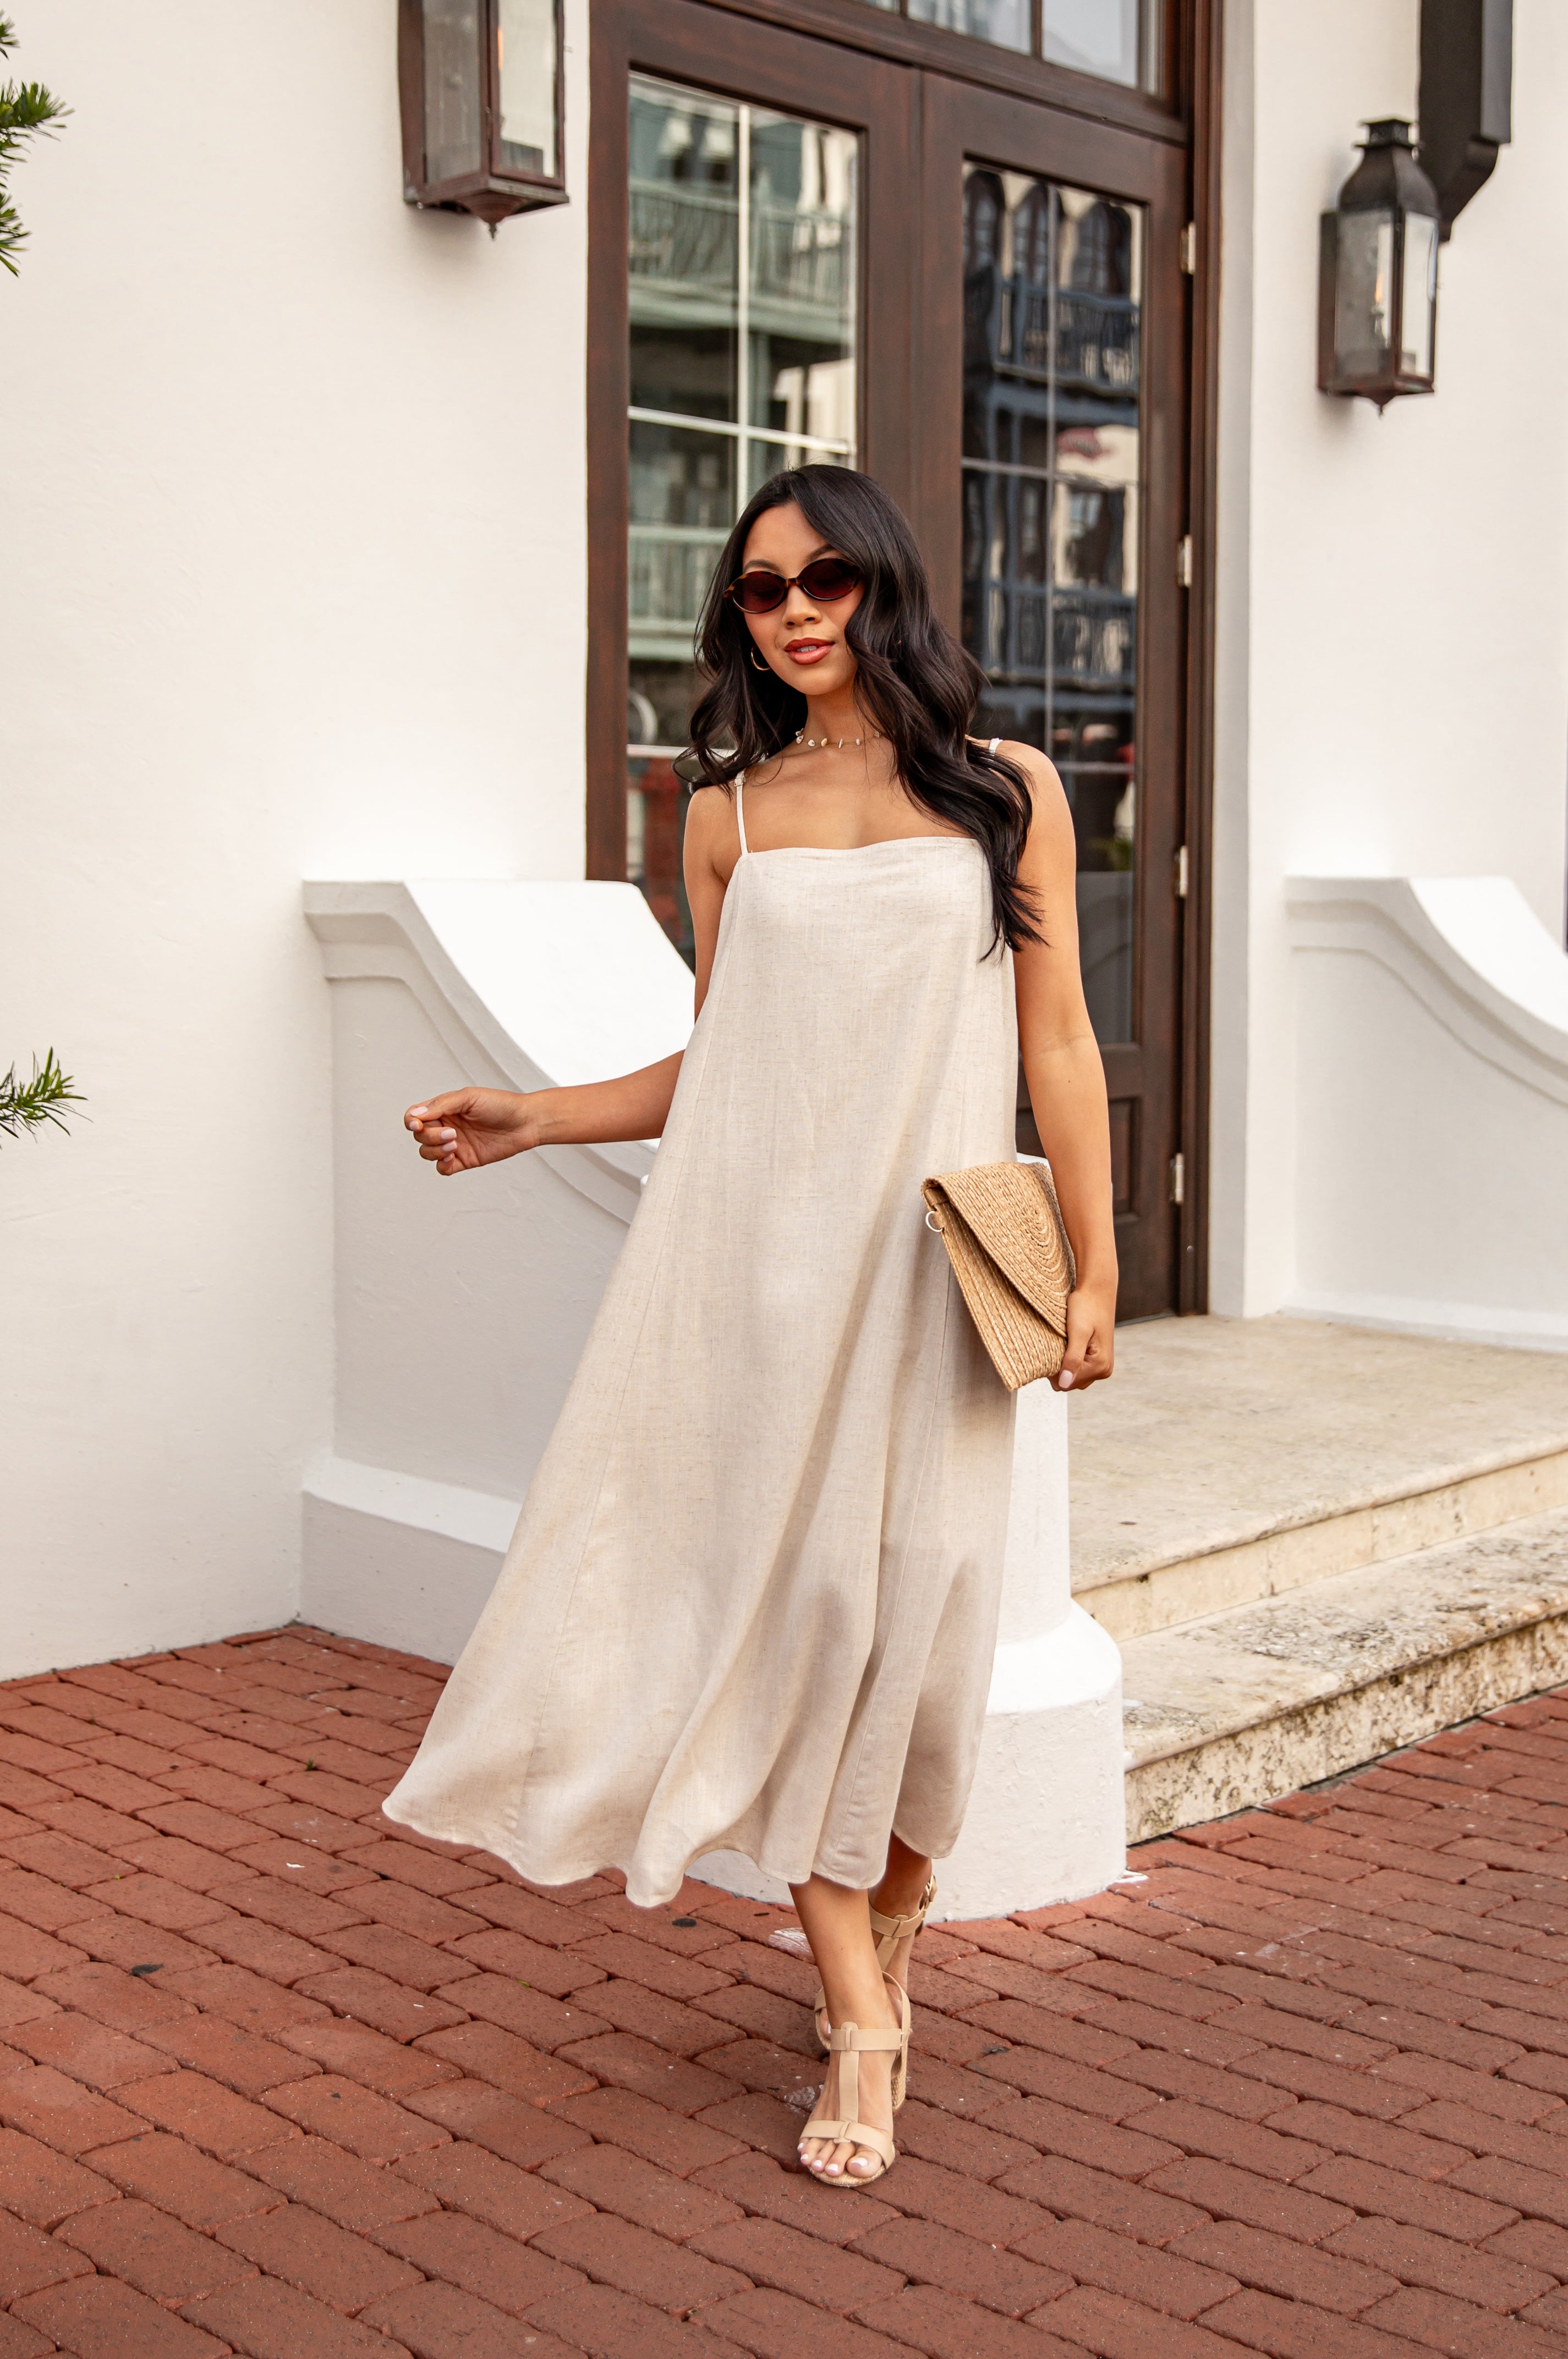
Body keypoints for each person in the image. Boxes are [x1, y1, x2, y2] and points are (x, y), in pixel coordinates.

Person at [385, 465, 1117, 2190]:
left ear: (888, 591)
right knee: (802, 1621)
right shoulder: (724, 814)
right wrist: (537, 1118)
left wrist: (1093, 1265)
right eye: (762, 589)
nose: (793, 612)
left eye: (828, 582)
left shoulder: (1006, 794)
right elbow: (718, 1060)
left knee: (919, 1626)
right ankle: (858, 2010)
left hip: (933, 1274)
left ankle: (896, 1900)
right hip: (758, 1274)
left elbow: (1063, 1042)